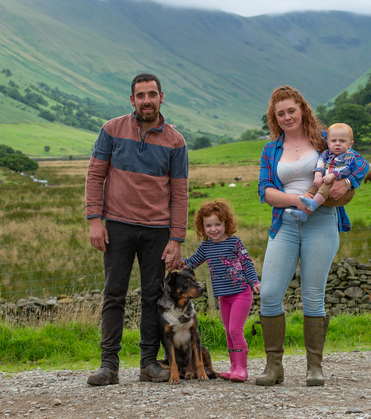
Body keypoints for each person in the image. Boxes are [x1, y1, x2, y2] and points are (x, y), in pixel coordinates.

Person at [257, 86, 369, 387]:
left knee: (312, 296)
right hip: (285, 224)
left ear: (302, 109)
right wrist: (296, 201)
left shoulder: (323, 139)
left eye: (291, 110)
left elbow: (358, 162)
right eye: (280, 113)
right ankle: (273, 367)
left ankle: (314, 368)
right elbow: (265, 192)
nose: (286, 117)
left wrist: (347, 181)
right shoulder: (271, 150)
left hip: (322, 222)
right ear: (274, 117)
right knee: (268, 295)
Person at [84, 73, 189, 386]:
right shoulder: (111, 130)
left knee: (153, 297)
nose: (147, 100)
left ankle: (147, 363)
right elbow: (94, 175)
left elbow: (180, 191)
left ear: (161, 97)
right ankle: (109, 365)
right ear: (132, 99)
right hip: (117, 225)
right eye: (140, 95)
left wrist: (176, 239)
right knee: (113, 294)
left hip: (157, 231)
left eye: (152, 94)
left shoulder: (175, 141)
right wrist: (94, 220)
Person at [171, 200, 261, 382]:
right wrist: (180, 262)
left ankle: (242, 369)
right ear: (202, 226)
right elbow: (193, 261)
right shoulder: (206, 246)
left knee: (236, 329)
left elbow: (247, 263)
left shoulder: (235, 243)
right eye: (208, 225)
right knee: (228, 331)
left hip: (241, 292)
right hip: (224, 296)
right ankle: (233, 367)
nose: (213, 229)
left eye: (218, 224)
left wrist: (254, 281)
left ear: (226, 223)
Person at [285, 123, 359, 222]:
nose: (337, 144)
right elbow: (320, 163)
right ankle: (304, 214)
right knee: (313, 189)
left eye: (342, 141)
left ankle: (313, 204)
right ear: (328, 143)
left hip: (343, 193)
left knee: (327, 183)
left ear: (350, 144)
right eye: (334, 141)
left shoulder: (349, 155)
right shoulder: (325, 154)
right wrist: (318, 175)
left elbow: (348, 168)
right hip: (326, 188)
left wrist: (333, 175)